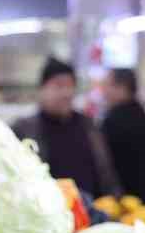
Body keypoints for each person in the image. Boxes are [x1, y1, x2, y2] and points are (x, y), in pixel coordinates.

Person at [12, 57, 121, 199]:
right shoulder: (24, 129)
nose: (66, 93)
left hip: (93, 213)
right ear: (42, 89)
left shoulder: (89, 126)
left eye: (70, 86)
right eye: (59, 86)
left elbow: (106, 173)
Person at [100, 67, 145, 206]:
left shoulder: (111, 123)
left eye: (108, 85)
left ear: (122, 88)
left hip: (125, 207)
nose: (104, 91)